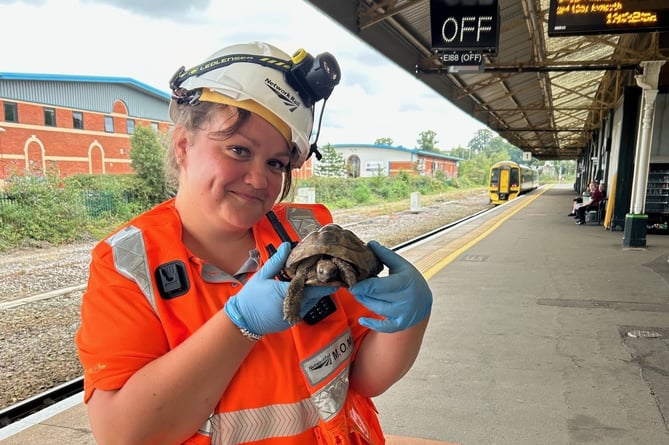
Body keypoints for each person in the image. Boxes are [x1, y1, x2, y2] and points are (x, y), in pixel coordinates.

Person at [75, 41, 432, 445]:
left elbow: (364, 377)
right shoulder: (129, 264)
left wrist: (408, 322)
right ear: (183, 145)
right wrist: (238, 324)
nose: (260, 180)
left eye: (276, 163)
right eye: (239, 150)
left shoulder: (304, 234)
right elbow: (124, 435)